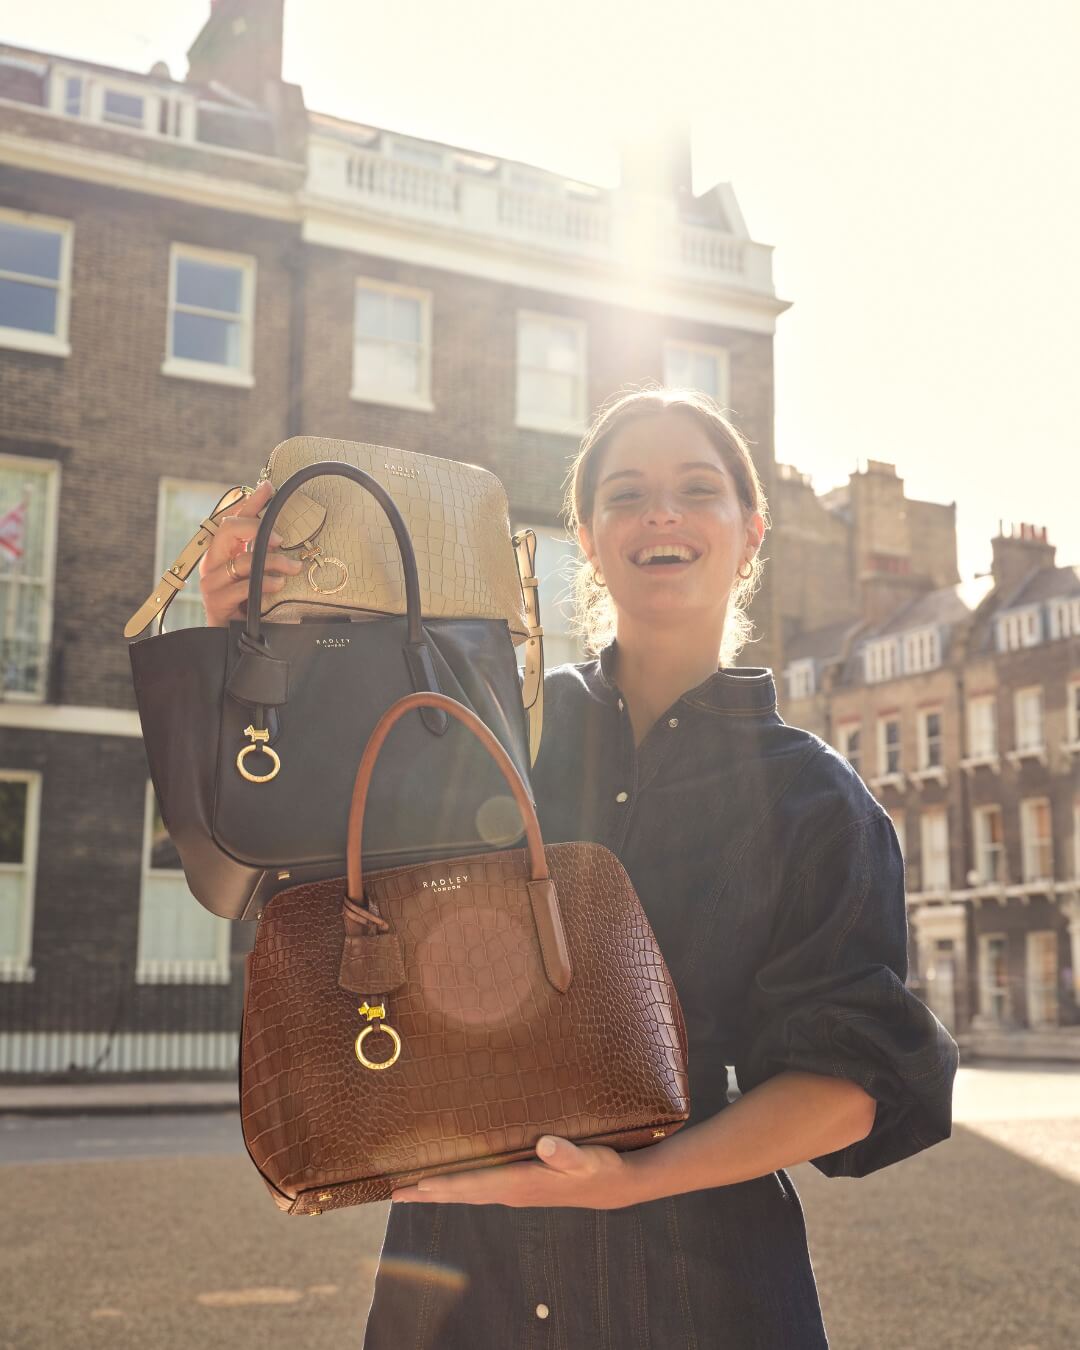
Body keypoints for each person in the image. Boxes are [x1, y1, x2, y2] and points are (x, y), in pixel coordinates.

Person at [201, 387, 959, 1348]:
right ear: (588, 538)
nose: (662, 515)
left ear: (751, 530)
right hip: (458, 1286)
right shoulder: (486, 727)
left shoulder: (819, 799)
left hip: (699, 1291)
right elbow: (314, 871)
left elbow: (853, 1083)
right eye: (627, 494)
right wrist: (258, 644)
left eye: (697, 489)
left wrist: (636, 1179)